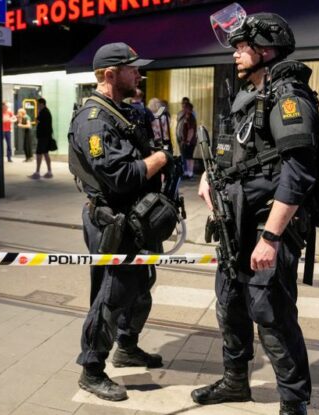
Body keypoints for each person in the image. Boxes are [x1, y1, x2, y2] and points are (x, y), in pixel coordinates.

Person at [192, 11, 318, 415]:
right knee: (230, 304)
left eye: (242, 46)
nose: (235, 54)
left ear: (265, 49)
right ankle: (235, 382)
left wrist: (271, 237)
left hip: (267, 225)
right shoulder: (251, 95)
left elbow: (299, 172)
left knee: (272, 315)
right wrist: (211, 178)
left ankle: (294, 404)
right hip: (237, 223)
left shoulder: (288, 96)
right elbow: (240, 153)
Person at [68, 42, 174, 402]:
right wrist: (161, 159)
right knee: (111, 294)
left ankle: (127, 346)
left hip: (136, 220)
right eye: (133, 69)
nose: (139, 74)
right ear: (111, 75)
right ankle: (91, 369)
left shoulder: (119, 112)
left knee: (140, 284)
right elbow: (121, 176)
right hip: (112, 222)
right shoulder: (94, 121)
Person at [30, 98, 53, 179]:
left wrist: (38, 114)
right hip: (46, 136)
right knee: (45, 153)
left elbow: (37, 120)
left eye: (38, 104)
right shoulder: (46, 111)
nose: (37, 106)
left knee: (39, 154)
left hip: (43, 137)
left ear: (42, 104)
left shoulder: (43, 112)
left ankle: (37, 172)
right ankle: (49, 172)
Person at [176, 101, 197, 178]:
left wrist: (188, 140)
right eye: (183, 107)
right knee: (185, 156)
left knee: (189, 156)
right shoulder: (184, 116)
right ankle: (186, 172)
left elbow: (191, 130)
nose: (183, 109)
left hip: (189, 141)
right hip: (183, 141)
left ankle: (189, 172)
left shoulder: (190, 117)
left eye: (184, 107)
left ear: (189, 108)